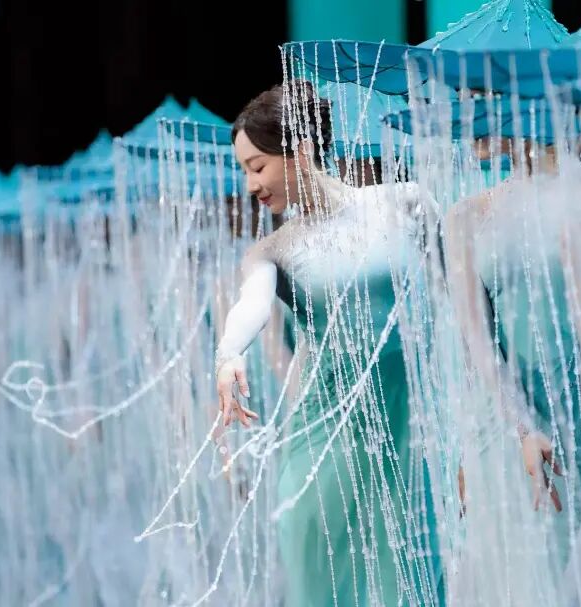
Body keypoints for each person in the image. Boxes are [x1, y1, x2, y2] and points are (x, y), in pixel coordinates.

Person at [215, 80, 443, 606]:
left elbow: (458, 303)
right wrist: (229, 354)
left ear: (300, 149)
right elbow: (251, 303)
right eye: (244, 171)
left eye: (256, 167)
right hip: (322, 446)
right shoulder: (272, 250)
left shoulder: (405, 203)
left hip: (411, 435)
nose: (250, 185)